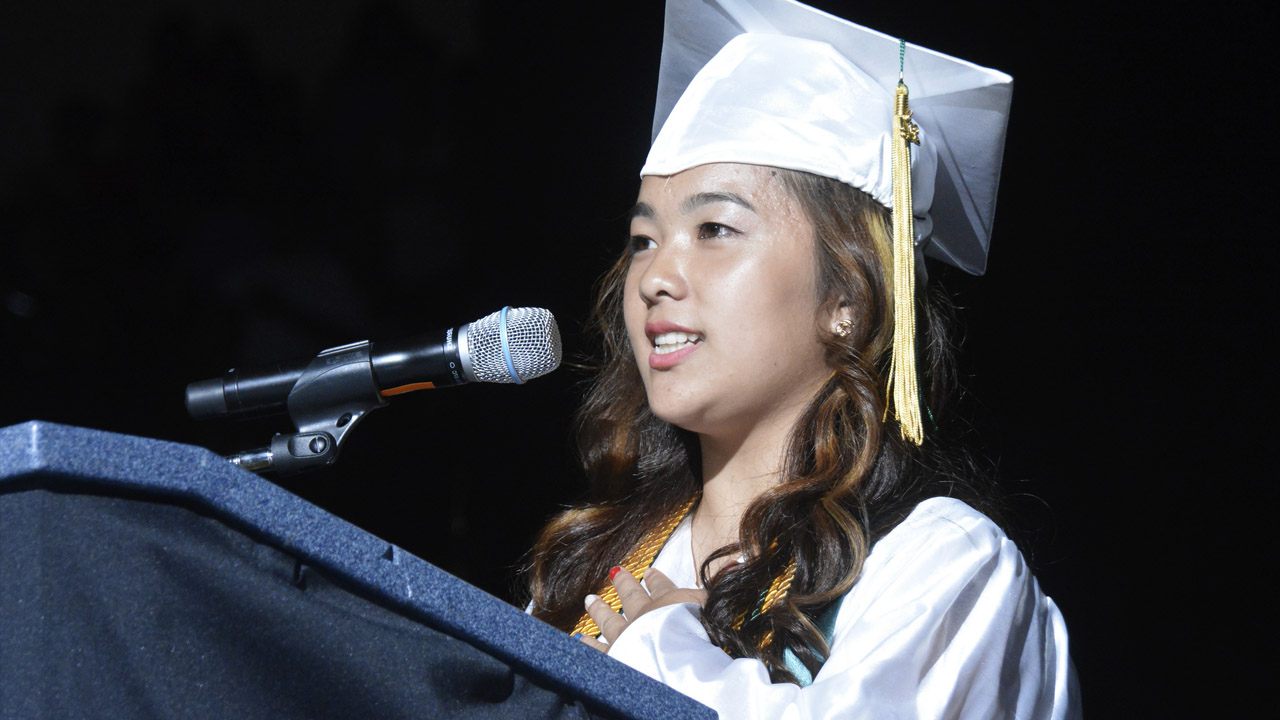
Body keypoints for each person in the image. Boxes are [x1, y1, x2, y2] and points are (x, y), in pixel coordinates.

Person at [526, 1, 1079, 717]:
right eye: (642, 240)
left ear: (845, 293)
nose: (656, 275)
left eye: (714, 228)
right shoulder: (594, 567)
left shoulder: (942, 571)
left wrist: (661, 645)